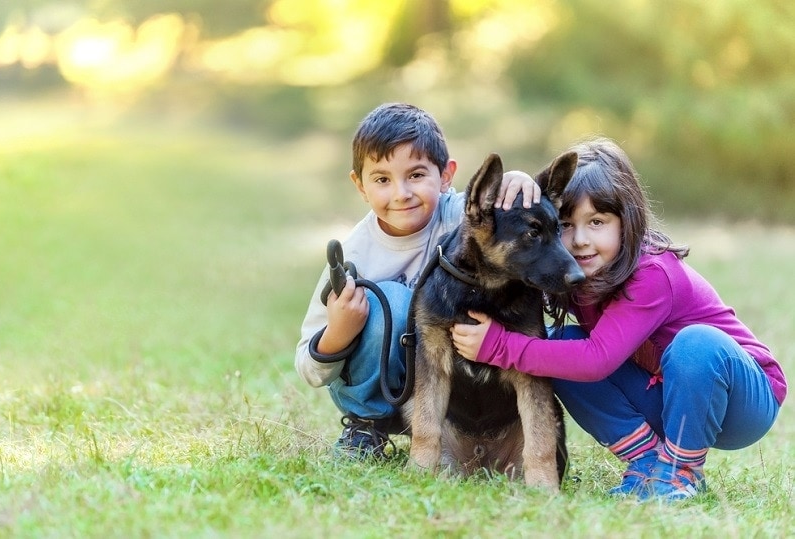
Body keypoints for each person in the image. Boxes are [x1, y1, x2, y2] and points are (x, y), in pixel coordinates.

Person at [450, 137, 786, 501]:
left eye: (597, 221)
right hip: (665, 394)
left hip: (742, 401)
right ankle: (647, 461)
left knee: (695, 344)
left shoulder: (653, 274)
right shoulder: (577, 275)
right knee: (561, 345)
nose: (580, 240)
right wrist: (517, 183)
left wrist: (499, 346)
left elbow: (597, 360)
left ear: (628, 221)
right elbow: (487, 220)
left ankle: (681, 471)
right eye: (566, 224)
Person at [295, 102, 541, 459]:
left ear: (446, 176)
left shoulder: (464, 219)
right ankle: (366, 427)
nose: (401, 193)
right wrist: (338, 332)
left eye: (416, 175)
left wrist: (516, 181)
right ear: (360, 186)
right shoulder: (355, 255)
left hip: (449, 396)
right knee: (395, 302)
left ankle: (457, 433)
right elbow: (308, 368)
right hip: (389, 393)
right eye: (382, 179)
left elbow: (498, 209)